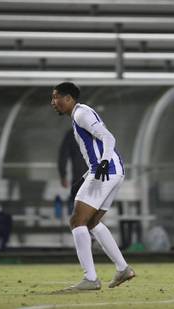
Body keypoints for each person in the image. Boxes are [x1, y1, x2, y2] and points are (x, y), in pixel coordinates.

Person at [50, 82, 135, 291]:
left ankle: (90, 279)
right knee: (92, 222)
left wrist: (104, 163)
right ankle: (123, 268)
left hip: (106, 170)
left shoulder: (80, 114)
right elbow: (96, 150)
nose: (53, 102)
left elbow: (108, 137)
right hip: (114, 171)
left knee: (76, 220)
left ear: (68, 98)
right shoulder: (81, 113)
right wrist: (84, 177)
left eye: (55, 97)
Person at [58, 128, 88, 202]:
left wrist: (63, 175)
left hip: (80, 178)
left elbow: (63, 156)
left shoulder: (72, 134)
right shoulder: (96, 133)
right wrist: (63, 175)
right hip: (87, 178)